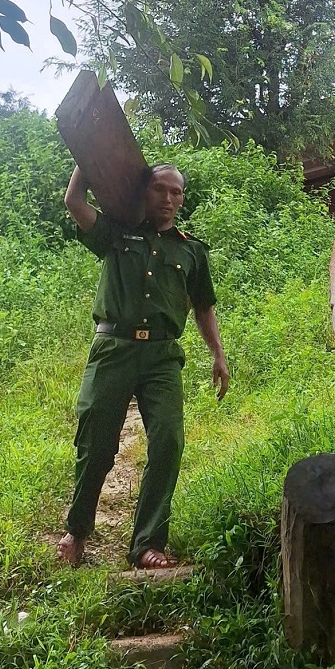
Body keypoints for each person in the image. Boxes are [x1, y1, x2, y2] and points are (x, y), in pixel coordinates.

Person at [56, 163, 229, 569]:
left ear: (182, 199)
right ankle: (77, 532)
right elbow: (74, 201)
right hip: (112, 350)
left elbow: (204, 307)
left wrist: (218, 354)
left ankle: (147, 544)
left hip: (162, 358)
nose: (167, 199)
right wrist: (89, 156)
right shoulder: (115, 233)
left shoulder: (191, 251)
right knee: (96, 444)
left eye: (175, 192)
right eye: (159, 189)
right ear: (144, 192)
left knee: (168, 441)